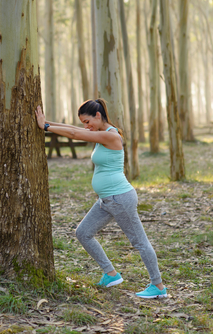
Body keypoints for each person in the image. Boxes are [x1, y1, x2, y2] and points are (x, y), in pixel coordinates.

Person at [35, 99, 167, 299]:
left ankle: (158, 286)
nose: (86, 127)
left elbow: (73, 134)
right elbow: (72, 129)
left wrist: (45, 127)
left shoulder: (110, 136)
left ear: (98, 116)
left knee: (139, 242)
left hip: (120, 198)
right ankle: (110, 274)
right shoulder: (99, 133)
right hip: (107, 200)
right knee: (83, 233)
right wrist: (48, 122)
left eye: (87, 121)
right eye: (83, 123)